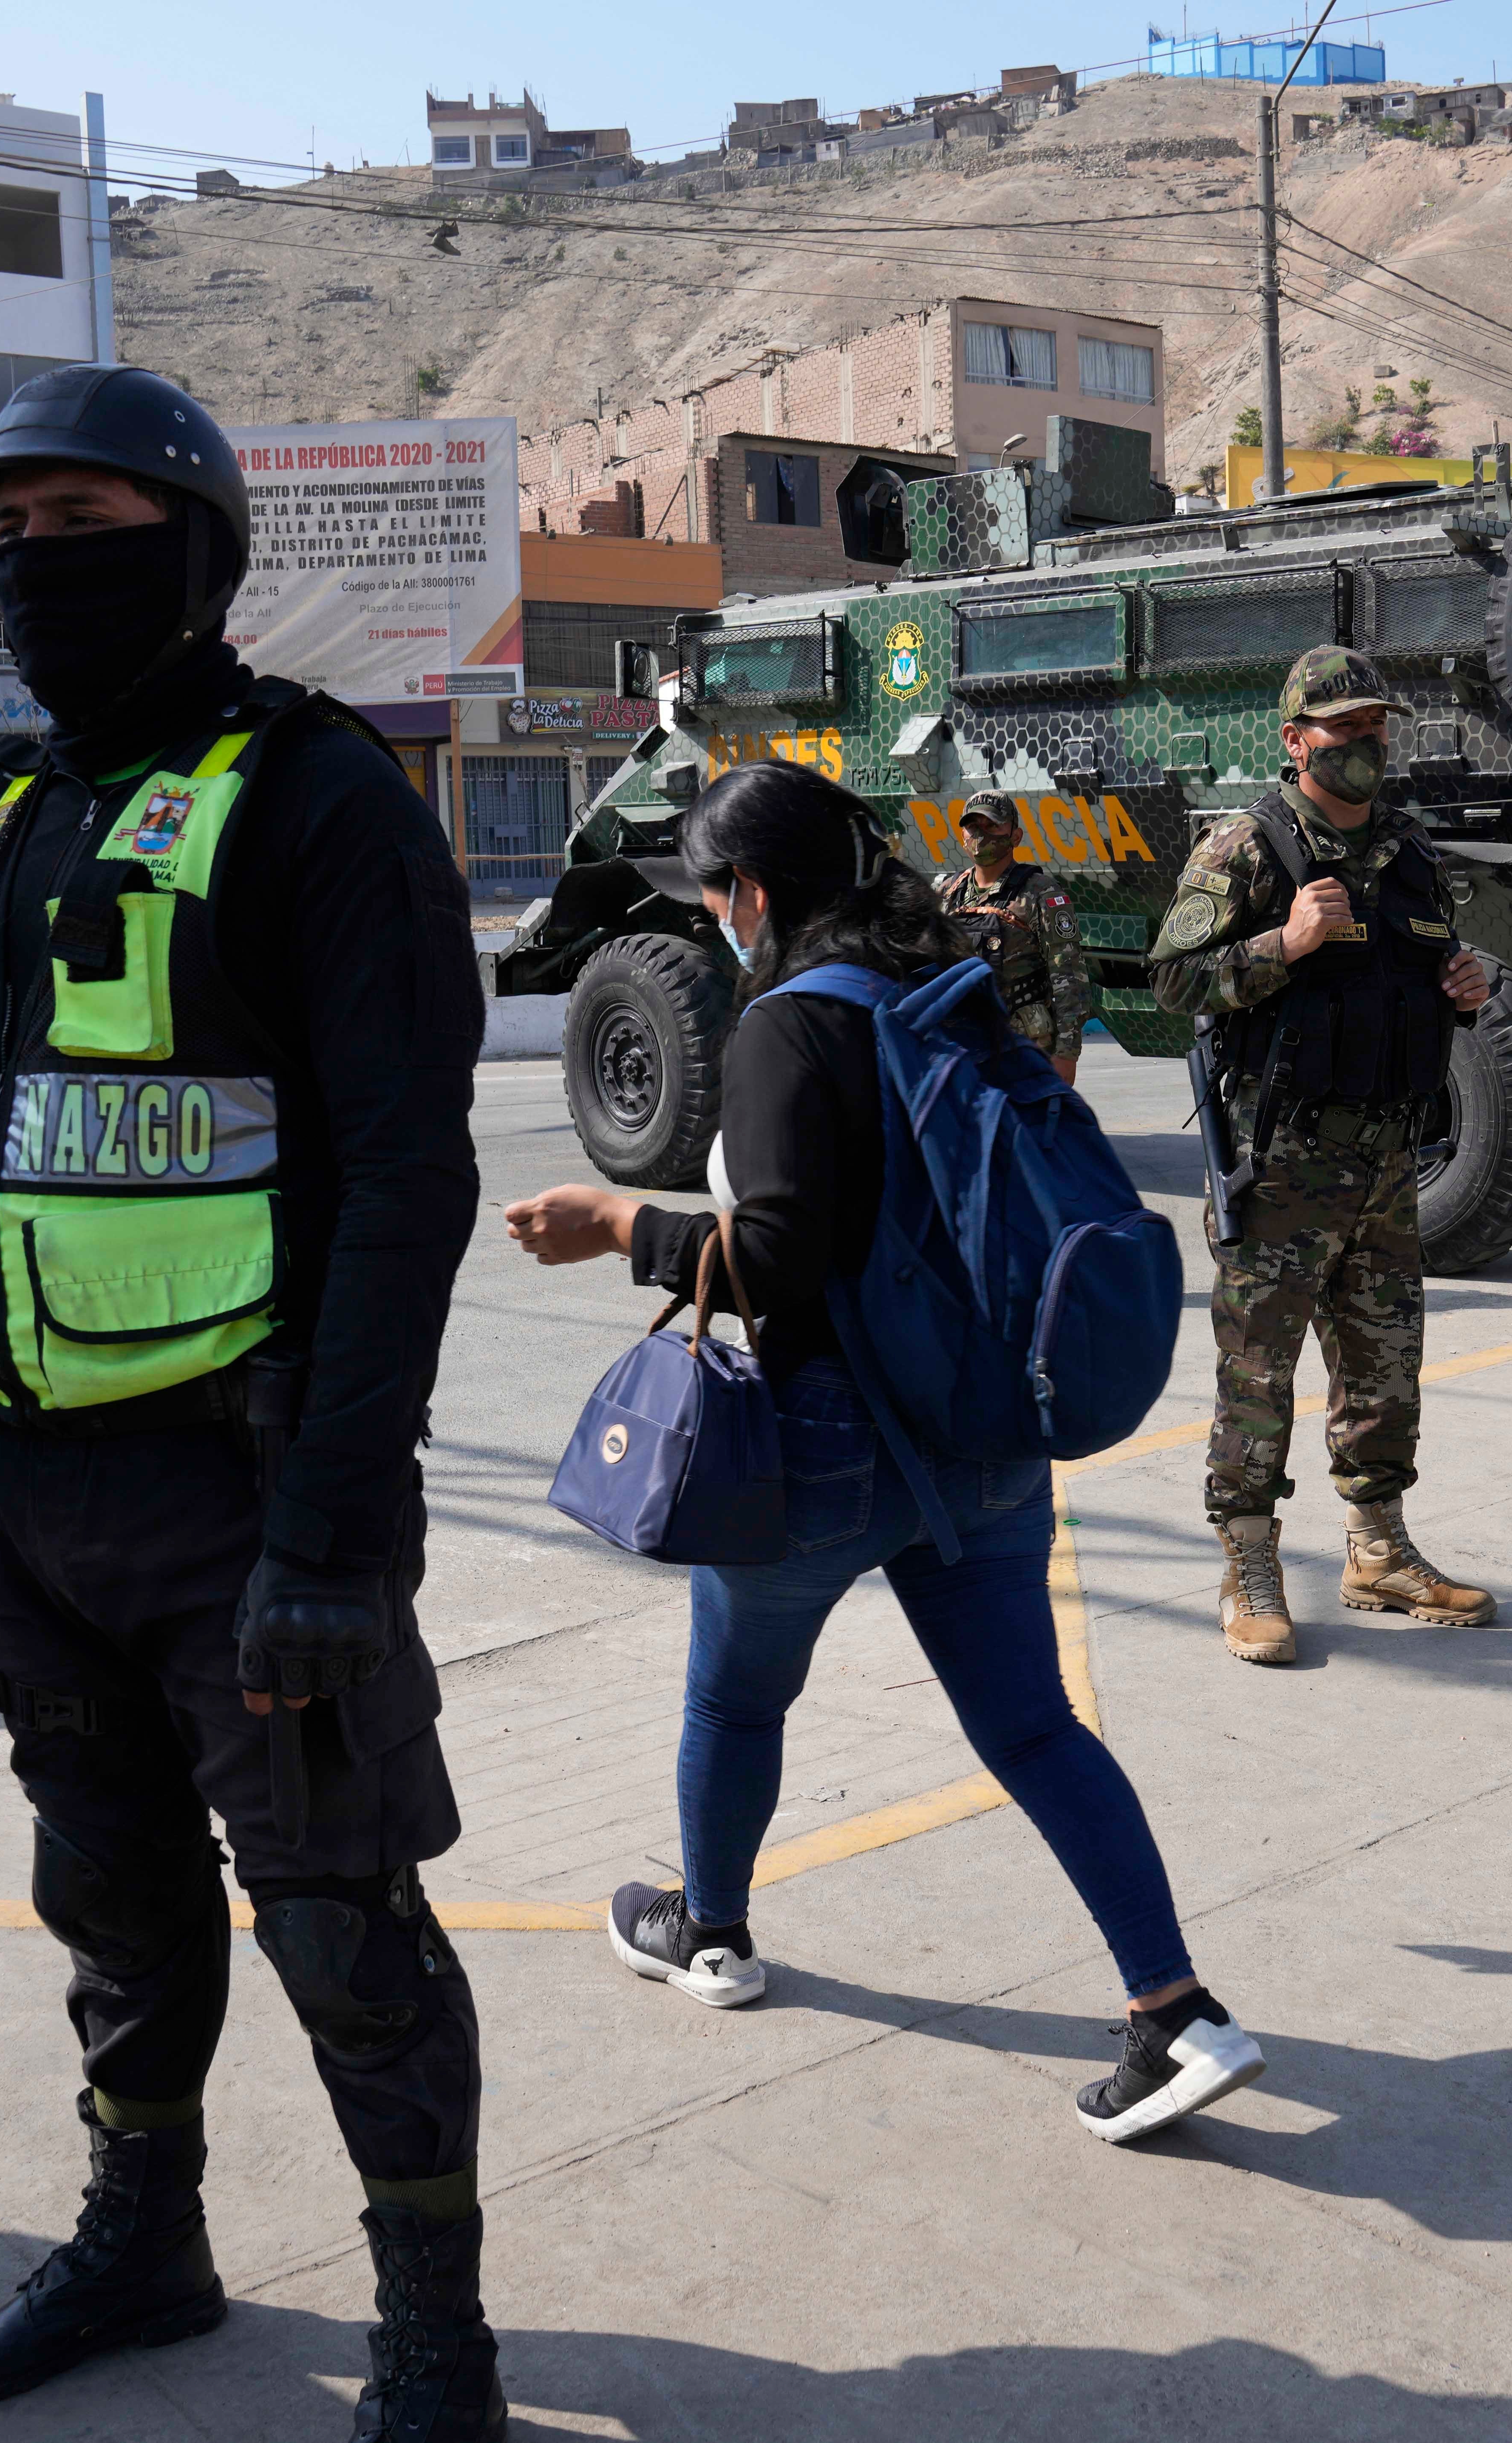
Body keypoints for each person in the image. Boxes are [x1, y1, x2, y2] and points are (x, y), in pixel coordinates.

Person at [0, 365, 501, 2440]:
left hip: (248, 1497)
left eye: (86, 525)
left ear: (197, 550)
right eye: (13, 533)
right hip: (33, 1496)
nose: (40, 569)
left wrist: (331, 1531)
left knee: (340, 1925)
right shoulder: (7, 807)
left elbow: (408, 1188)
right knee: (115, 1912)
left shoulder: (319, 803)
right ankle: (149, 2245)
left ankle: (433, 2339)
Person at [500, 760, 1268, 2147]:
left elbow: (783, 1257)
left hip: (820, 1449)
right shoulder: (952, 993)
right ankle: (1177, 2010)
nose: (714, 918)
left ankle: (712, 1931)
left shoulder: (787, 1025)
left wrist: (618, 1226)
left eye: (715, 892)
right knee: (1033, 1725)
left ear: (754, 892)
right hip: (980, 1435)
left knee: (736, 1701)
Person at [1148, 645, 1497, 1666]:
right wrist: (1280, 946)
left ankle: (1377, 1550)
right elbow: (1173, 983)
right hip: (1286, 1166)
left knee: (1385, 1368)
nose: (1364, 746)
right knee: (1257, 1374)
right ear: (1295, 739)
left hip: (1389, 1163)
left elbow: (1422, 976)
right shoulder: (1245, 849)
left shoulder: (1409, 852)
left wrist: (1463, 984)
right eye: (1344, 731)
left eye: (1375, 730)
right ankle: (1249, 1563)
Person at [934, 789, 1095, 1083]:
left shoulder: (1039, 893)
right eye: (974, 827)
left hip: (1025, 1049)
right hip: (961, 1044)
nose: (981, 835)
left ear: (1016, 836)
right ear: (963, 836)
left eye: (992, 825)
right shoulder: (948, 893)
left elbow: (1069, 978)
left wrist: (1066, 1054)